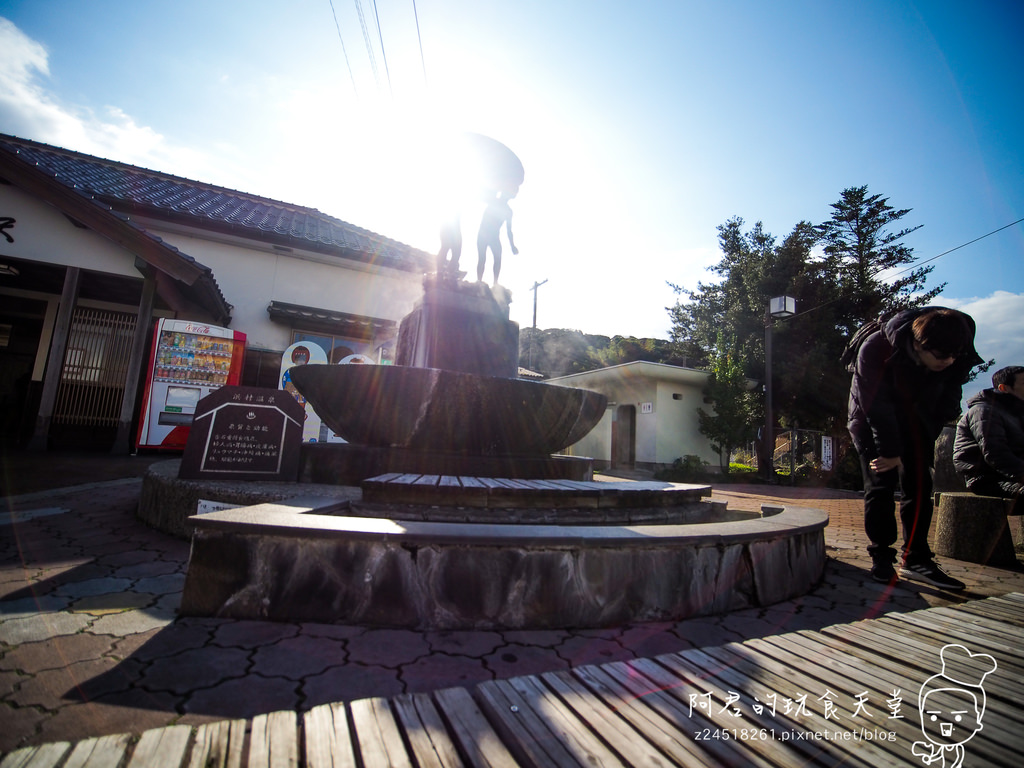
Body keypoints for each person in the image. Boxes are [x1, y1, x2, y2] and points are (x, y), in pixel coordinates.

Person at [847, 306, 982, 588]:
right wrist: (889, 451)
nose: (948, 361)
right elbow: (875, 404)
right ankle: (882, 558)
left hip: (918, 417)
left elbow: (950, 393)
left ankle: (916, 558)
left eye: (954, 355)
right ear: (918, 344)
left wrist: (928, 433)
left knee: (920, 484)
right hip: (871, 417)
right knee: (880, 483)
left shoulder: (957, 348)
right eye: (941, 355)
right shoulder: (876, 347)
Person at [952, 365, 1024, 512]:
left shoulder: (1015, 414)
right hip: (985, 479)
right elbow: (996, 453)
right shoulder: (983, 411)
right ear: (1004, 388)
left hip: (1011, 476)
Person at [476, 190, 518, 285]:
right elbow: (482, 195)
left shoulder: (508, 211)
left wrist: (512, 246)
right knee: (482, 258)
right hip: (483, 234)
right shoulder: (493, 201)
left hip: (493, 236)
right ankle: (479, 281)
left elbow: (509, 230)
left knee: (497, 258)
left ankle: (495, 283)